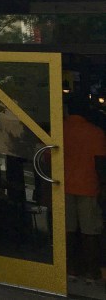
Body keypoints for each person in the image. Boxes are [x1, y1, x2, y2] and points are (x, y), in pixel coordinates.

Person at [63, 96, 106, 282]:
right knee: (90, 232)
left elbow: (48, 156)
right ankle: (92, 272)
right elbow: (100, 162)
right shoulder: (95, 133)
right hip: (88, 186)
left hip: (63, 186)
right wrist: (103, 185)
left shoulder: (60, 130)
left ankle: (71, 269)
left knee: (68, 230)